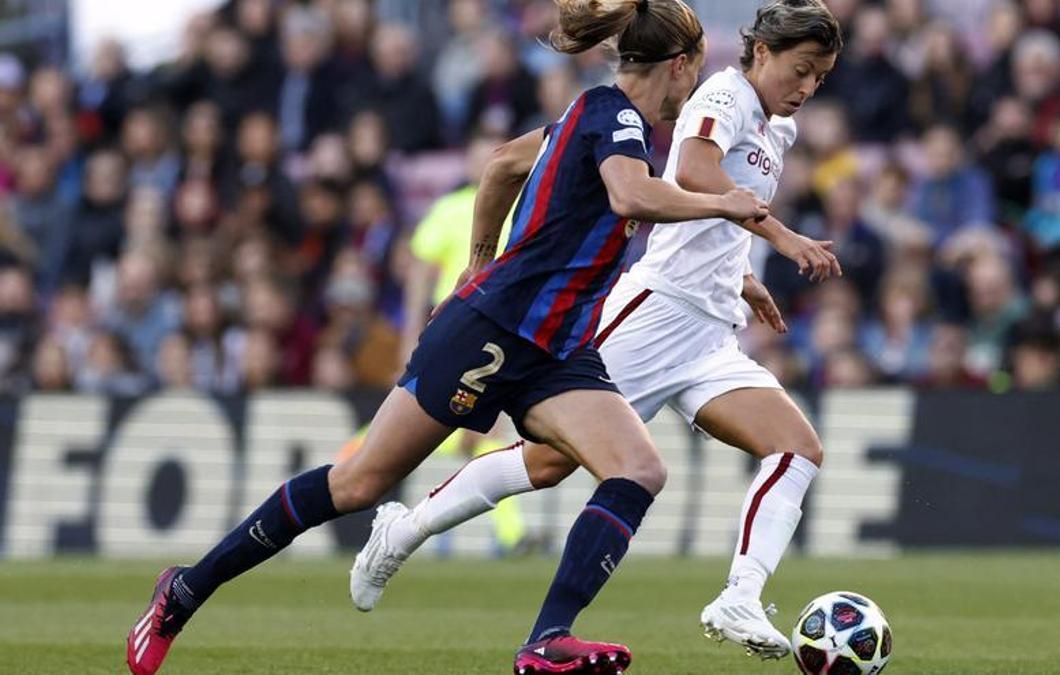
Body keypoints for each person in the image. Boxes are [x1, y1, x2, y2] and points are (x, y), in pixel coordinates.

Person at [125, 2, 769, 674]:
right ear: (680, 64)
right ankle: (185, 589)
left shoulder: (595, 122)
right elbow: (630, 196)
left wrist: (479, 258)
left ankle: (547, 639)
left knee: (638, 469)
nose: (690, 93)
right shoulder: (615, 116)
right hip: (492, 331)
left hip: (555, 348)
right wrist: (723, 203)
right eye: (693, 76)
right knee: (358, 481)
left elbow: (497, 167)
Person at [350, 0, 843, 661]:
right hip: (654, 312)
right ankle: (404, 528)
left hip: (708, 331)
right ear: (760, 54)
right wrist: (781, 237)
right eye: (802, 69)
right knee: (550, 463)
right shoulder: (723, 94)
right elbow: (695, 172)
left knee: (797, 448)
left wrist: (742, 274)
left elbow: (712, 211)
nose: (807, 88)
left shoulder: (774, 127)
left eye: (821, 77)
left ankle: (740, 596)